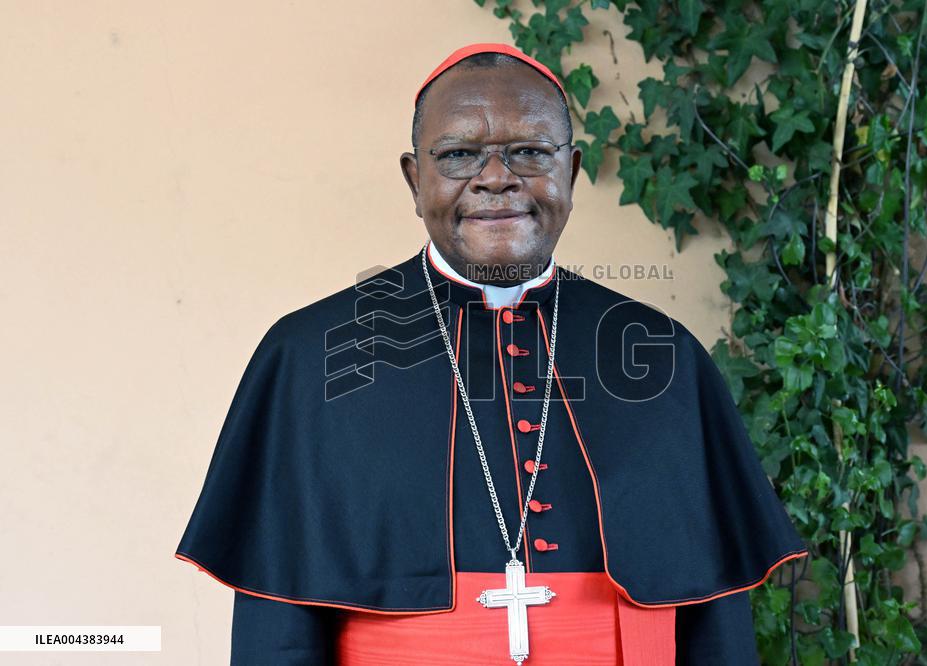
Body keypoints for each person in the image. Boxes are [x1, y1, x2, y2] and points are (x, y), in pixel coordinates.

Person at [175, 42, 809, 665]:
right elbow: (277, 629)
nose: (497, 178)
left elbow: (715, 624)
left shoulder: (665, 356)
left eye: (530, 151)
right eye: (458, 155)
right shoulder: (311, 358)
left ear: (573, 172)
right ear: (413, 178)